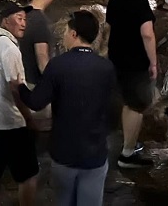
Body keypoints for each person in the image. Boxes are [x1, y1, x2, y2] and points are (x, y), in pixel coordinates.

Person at [19, 11, 116, 206]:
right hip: (95, 153)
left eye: (65, 31)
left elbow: (36, 102)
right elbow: (112, 111)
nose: (63, 35)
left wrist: (19, 86)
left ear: (73, 34)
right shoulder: (106, 68)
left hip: (64, 153)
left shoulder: (58, 65)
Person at [0, 2, 39, 206]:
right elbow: (15, 88)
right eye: (19, 18)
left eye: (25, 19)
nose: (23, 23)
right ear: (6, 20)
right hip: (12, 124)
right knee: (28, 175)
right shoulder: (9, 49)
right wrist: (29, 118)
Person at [105, 0, 156, 169]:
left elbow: (108, 28)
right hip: (136, 62)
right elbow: (147, 34)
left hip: (117, 58)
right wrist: (153, 62)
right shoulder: (139, 0)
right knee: (137, 106)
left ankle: (130, 143)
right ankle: (127, 154)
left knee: (128, 102)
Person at [19, 0, 57, 131]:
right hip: (36, 86)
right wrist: (53, 85)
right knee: (43, 127)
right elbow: (42, 59)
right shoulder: (40, 21)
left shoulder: (21, 16)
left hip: (22, 82)